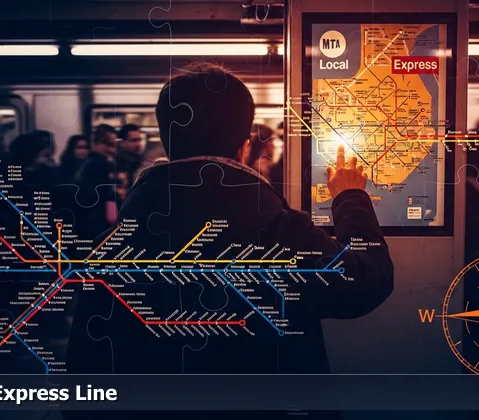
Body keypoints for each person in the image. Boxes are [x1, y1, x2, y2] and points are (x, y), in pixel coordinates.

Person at [65, 62, 394, 420]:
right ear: (245, 144)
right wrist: (349, 197)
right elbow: (365, 281)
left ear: (165, 137)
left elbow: (86, 378)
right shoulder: (282, 234)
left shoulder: (111, 248)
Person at [75, 124, 119, 240]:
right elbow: (107, 194)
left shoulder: (88, 162)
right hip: (98, 218)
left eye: (114, 145)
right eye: (109, 144)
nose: (112, 149)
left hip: (87, 218)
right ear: (96, 143)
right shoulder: (101, 164)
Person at [115, 124, 146, 202]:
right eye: (134, 140)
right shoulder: (120, 160)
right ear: (122, 142)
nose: (138, 144)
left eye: (139, 140)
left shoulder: (138, 158)